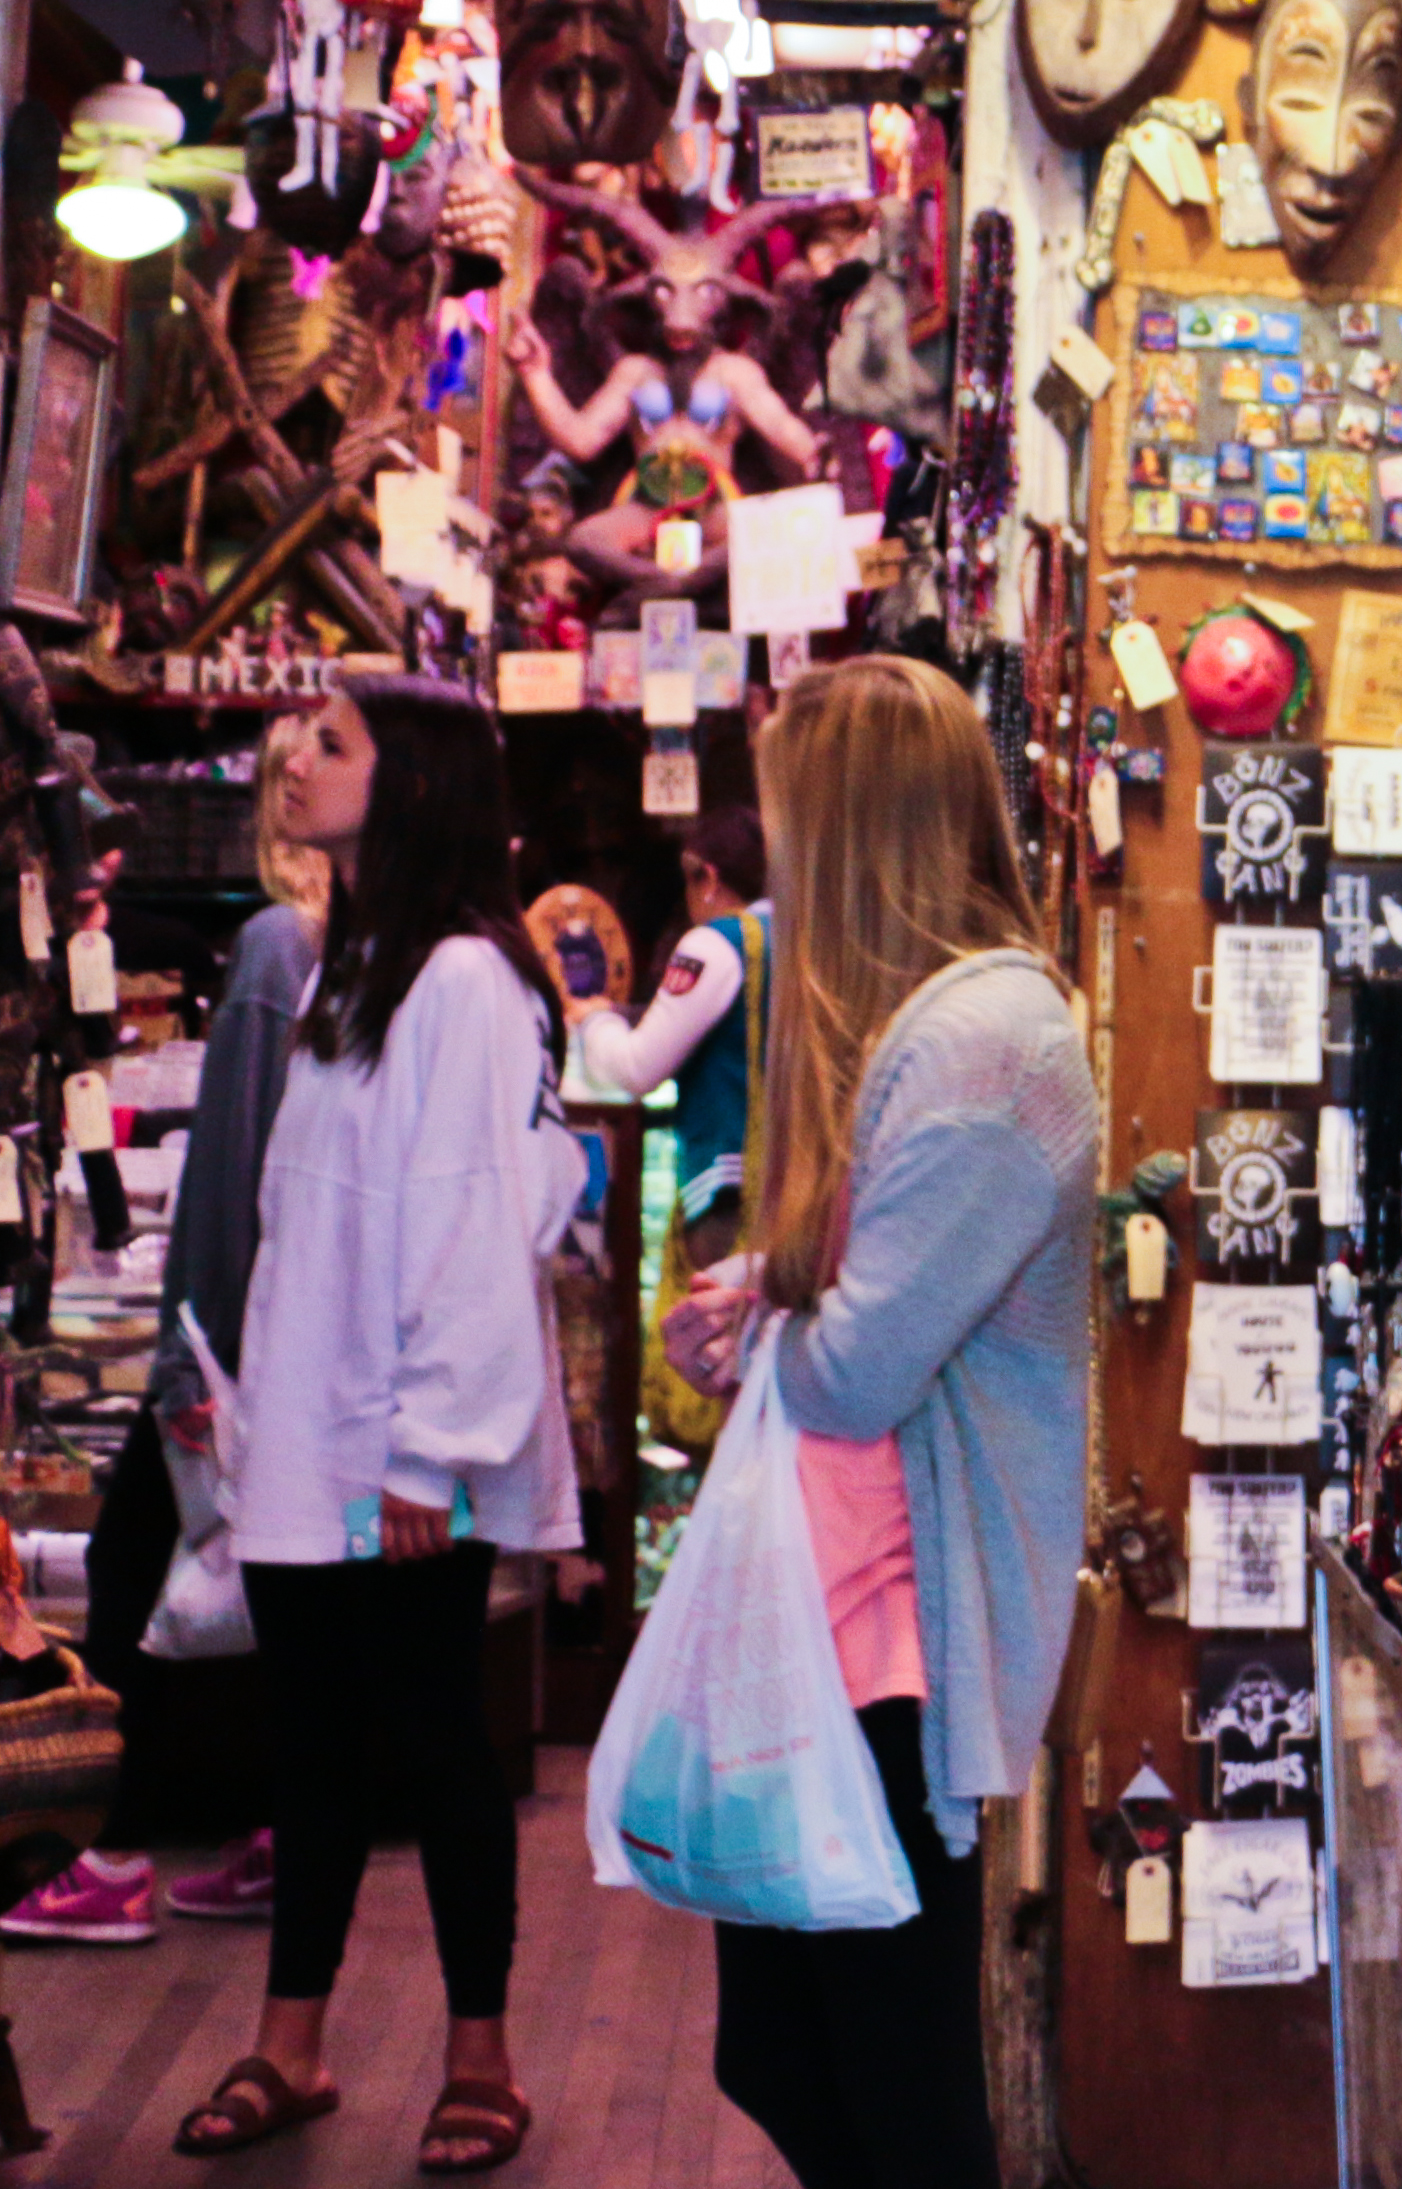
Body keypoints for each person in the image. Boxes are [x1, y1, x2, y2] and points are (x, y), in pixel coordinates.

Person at [661, 658, 1096, 2189]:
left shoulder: (987, 1045)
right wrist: (765, 1283)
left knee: (892, 2089)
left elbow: (858, 1368)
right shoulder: (925, 1025)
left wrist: (773, 1312)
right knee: (796, 2054)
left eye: (790, 820)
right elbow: (864, 1288)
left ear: (849, 830)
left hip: (894, 1647)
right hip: (837, 1624)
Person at [177, 677, 576, 2174]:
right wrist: (251, 1392)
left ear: (406, 781)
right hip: (308, 1422)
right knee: (313, 1746)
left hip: (400, 1445)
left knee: (437, 1742)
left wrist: (431, 1444)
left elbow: (479, 1217)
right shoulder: (352, 959)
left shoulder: (467, 974)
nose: (297, 759)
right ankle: (293, 2037)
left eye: (332, 743)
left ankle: (484, 2054)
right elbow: (315, 1214)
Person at [6, 712, 329, 1949]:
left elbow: (236, 1157)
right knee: (279, 1594)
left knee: (128, 1571)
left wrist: (195, 1348)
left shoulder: (273, 945)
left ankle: (98, 1851)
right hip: (305, 1336)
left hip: (229, 1337)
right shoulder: (383, 950)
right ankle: (275, 1834)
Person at [571, 809, 774, 1260]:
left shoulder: (717, 943)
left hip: (730, 1194)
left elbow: (636, 1069)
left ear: (709, 879)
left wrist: (594, 1020)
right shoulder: (801, 937)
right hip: (800, 1192)